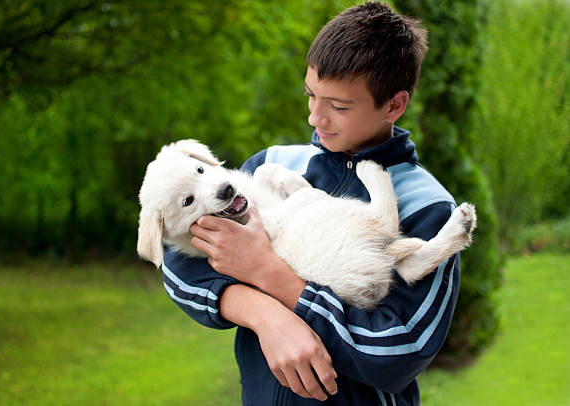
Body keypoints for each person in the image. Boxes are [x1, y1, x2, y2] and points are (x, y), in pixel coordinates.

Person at [162, 2, 460, 405]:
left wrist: (275, 278)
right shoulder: (272, 165)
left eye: (338, 106)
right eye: (311, 96)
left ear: (393, 105)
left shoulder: (428, 207)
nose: (315, 119)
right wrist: (266, 316)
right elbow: (179, 264)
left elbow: (399, 350)